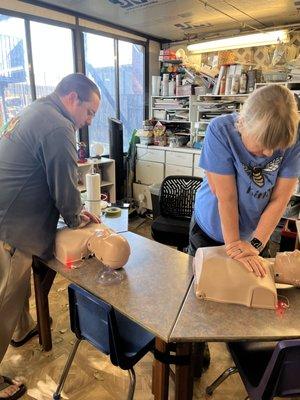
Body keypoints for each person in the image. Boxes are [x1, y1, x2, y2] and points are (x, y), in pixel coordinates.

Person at [0, 73, 101, 399]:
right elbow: (65, 185)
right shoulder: (58, 126)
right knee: (3, 301)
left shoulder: (35, 110)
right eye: (89, 113)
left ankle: (23, 328)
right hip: (10, 229)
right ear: (73, 97)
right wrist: (76, 218)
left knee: (14, 298)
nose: (87, 121)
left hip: (5, 217)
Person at [189, 83, 300, 374]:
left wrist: (255, 243)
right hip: (212, 225)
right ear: (243, 122)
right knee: (204, 296)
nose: (267, 154)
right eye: (262, 144)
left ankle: (246, 357)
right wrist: (234, 247)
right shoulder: (220, 131)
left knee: (252, 294)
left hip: (256, 232)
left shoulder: (292, 139)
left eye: (275, 149)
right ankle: (197, 353)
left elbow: (280, 198)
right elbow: (226, 197)